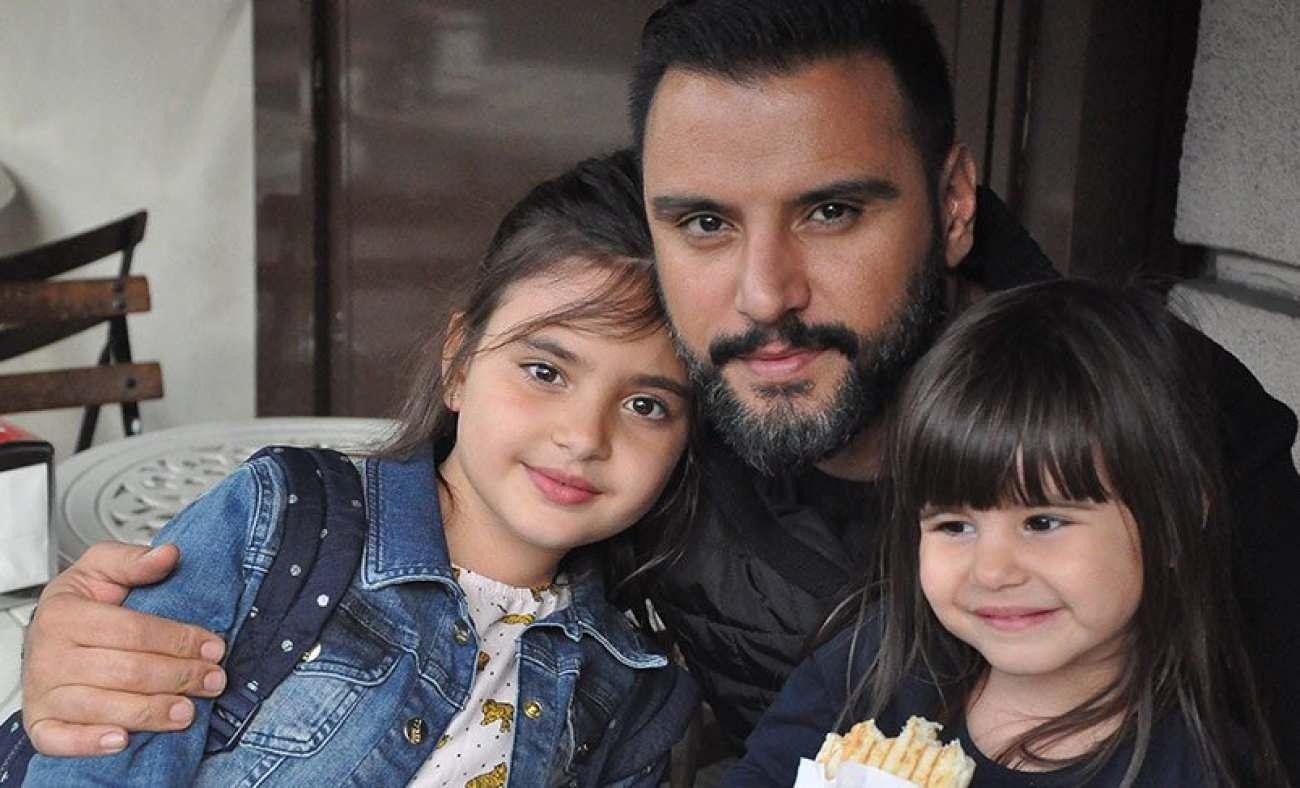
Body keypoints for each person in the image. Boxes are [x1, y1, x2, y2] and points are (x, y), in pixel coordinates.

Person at [20, 0, 1300, 777]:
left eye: (833, 210)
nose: (763, 294)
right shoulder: (657, 401)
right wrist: (85, 656)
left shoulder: (1158, 429)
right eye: (701, 222)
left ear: (953, 201)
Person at [24, 150, 699, 786]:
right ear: (460, 363)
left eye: (646, 405)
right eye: (545, 371)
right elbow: (101, 752)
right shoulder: (277, 524)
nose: (583, 436)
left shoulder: (630, 690)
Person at [729, 280, 1289, 787]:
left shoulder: (1195, 771)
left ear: (1175, 522)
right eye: (954, 525)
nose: (993, 570)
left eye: (1043, 522)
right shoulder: (871, 671)